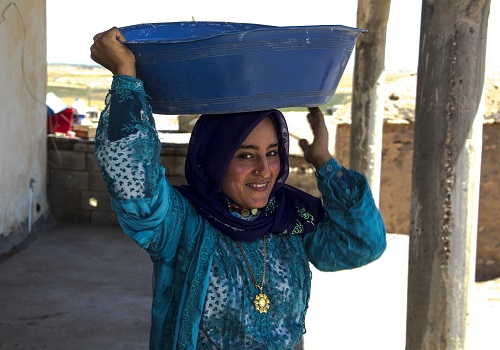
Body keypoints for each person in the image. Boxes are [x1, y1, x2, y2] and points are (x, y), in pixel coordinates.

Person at [90, 27, 386, 350]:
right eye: (245, 155)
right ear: (214, 159)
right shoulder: (182, 224)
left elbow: (364, 242)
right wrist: (125, 75)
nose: (264, 170)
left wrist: (324, 162)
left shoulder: (292, 221)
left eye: (272, 153)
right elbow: (132, 179)